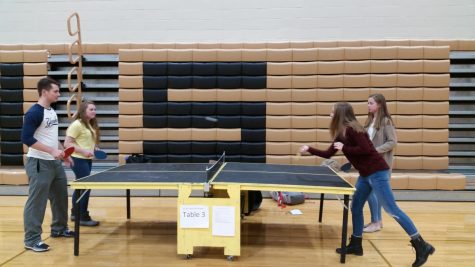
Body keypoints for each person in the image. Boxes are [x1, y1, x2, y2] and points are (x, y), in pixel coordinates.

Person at [300, 102, 434, 267]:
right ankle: (356, 244)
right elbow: (328, 153)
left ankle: (422, 245)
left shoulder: (354, 129)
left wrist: (345, 147)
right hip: (365, 175)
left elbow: (367, 150)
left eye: (332, 111)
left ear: (340, 114)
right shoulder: (341, 134)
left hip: (377, 173)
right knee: (356, 207)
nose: (330, 113)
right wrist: (309, 149)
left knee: (392, 209)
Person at [21, 77, 75, 252]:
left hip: (54, 163)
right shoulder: (34, 113)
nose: (59, 94)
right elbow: (27, 139)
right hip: (38, 163)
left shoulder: (51, 111)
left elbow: (52, 137)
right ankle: (31, 239)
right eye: (56, 91)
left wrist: (63, 154)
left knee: (60, 197)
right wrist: (51, 152)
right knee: (37, 202)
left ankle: (59, 229)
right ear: (44, 92)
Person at [363, 94, 397, 233]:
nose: (368, 105)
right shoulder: (370, 121)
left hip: (379, 164)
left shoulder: (386, 121)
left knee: (370, 193)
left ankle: (376, 222)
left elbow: (392, 142)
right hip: (369, 163)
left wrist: (375, 151)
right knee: (373, 192)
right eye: (368, 103)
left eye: (371, 103)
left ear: (380, 105)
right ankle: (377, 221)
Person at [64, 100, 101, 226]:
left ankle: (75, 213)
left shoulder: (89, 124)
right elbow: (67, 143)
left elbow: (85, 141)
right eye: (91, 109)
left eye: (95, 109)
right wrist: (83, 151)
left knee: (81, 187)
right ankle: (83, 216)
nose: (94, 111)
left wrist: (94, 148)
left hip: (86, 159)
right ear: (83, 111)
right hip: (78, 159)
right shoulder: (77, 125)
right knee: (85, 187)